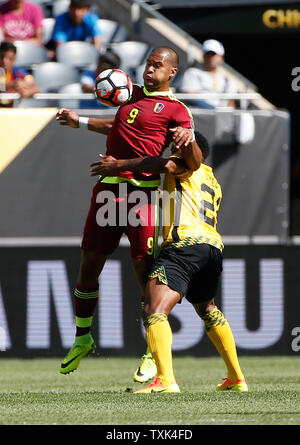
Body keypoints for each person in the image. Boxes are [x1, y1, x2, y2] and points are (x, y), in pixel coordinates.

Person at [55, 46, 196, 381]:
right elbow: (117, 127)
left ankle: (152, 347)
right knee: (89, 264)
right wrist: (81, 122)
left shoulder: (176, 110)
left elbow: (187, 146)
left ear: (171, 72)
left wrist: (188, 136)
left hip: (144, 194)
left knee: (143, 268)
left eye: (157, 66)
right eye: (148, 64)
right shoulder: (128, 91)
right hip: (108, 190)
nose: (150, 70)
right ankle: (83, 337)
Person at [91, 131, 248, 393]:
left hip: (184, 245)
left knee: (153, 309)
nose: (171, 149)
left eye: (176, 145)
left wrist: (119, 164)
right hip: (211, 247)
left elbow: (163, 165)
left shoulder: (184, 165)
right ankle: (236, 377)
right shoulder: (211, 177)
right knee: (208, 309)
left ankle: (165, 379)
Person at [179, 39, 238, 109]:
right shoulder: (192, 73)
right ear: (203, 56)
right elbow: (189, 97)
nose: (211, 57)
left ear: (222, 58)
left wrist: (224, 115)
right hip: (199, 117)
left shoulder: (228, 80)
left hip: (222, 117)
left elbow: (231, 103)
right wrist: (213, 110)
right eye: (208, 54)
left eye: (214, 54)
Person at [0, 41, 40, 107]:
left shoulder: (18, 71)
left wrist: (28, 92)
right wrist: (10, 85)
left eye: (9, 58)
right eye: (1, 57)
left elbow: (35, 88)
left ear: (14, 59)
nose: (5, 61)